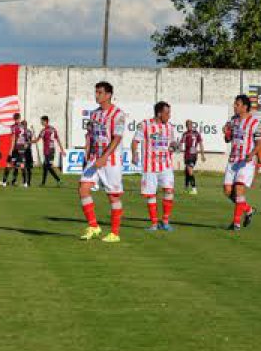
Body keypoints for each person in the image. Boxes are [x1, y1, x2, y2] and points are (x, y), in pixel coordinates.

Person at [78, 81, 126, 243]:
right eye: (96, 92)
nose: (96, 95)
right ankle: (93, 226)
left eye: (100, 92)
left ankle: (114, 233)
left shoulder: (118, 114)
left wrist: (105, 157)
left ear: (108, 95)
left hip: (110, 160)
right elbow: (90, 136)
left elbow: (117, 137)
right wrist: (87, 156)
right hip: (94, 158)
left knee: (113, 197)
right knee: (83, 188)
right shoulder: (94, 114)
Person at [132, 101, 177, 232]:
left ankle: (165, 221)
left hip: (166, 165)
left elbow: (173, 142)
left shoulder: (169, 127)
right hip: (150, 166)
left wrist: (174, 146)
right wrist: (134, 154)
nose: (169, 115)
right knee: (151, 195)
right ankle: (154, 224)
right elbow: (135, 141)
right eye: (167, 113)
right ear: (159, 113)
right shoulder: (145, 125)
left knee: (169, 191)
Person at [222, 95, 261, 231]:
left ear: (245, 107)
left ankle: (236, 223)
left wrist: (252, 154)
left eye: (237, 104)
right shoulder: (233, 121)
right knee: (227, 191)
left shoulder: (255, 123)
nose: (234, 106)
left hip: (246, 162)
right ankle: (248, 209)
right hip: (233, 160)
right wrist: (226, 133)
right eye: (234, 104)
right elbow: (228, 139)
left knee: (239, 189)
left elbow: (259, 144)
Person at [34, 115, 64, 186]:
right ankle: (43, 183)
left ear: (45, 121)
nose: (41, 122)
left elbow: (36, 140)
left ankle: (58, 180)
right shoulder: (53, 129)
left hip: (48, 151)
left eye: (42, 121)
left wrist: (28, 141)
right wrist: (62, 149)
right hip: (52, 150)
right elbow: (58, 139)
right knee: (45, 166)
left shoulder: (44, 131)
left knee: (48, 166)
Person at [180, 120, 205, 194]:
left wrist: (202, 155)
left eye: (190, 125)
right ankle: (186, 187)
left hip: (192, 155)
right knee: (187, 171)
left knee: (190, 170)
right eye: (188, 125)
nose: (189, 126)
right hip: (187, 155)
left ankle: (194, 189)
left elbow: (200, 144)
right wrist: (178, 148)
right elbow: (181, 143)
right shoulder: (185, 134)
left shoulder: (196, 134)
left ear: (192, 125)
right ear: (186, 126)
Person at [0, 113, 23, 187]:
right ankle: (13, 182)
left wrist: (10, 151)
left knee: (9, 165)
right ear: (19, 118)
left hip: (15, 149)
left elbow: (13, 139)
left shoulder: (13, 127)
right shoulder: (23, 127)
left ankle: (4, 182)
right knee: (17, 166)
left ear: (14, 119)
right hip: (21, 149)